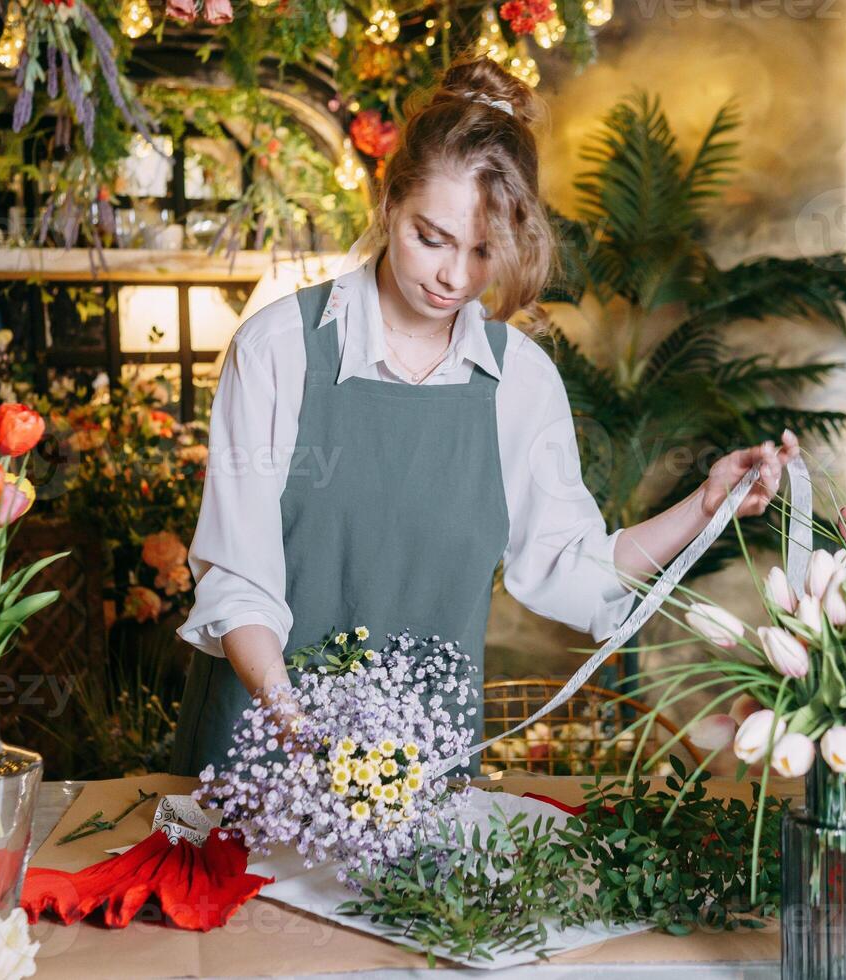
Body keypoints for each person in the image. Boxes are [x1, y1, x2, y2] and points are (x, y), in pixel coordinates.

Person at [169, 58, 800, 777]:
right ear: (388, 202)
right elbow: (238, 579)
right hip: (262, 759)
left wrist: (705, 503)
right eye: (430, 238)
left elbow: (573, 569)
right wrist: (308, 741)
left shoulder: (519, 381)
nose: (454, 278)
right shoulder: (278, 348)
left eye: (483, 251)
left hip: (422, 775)